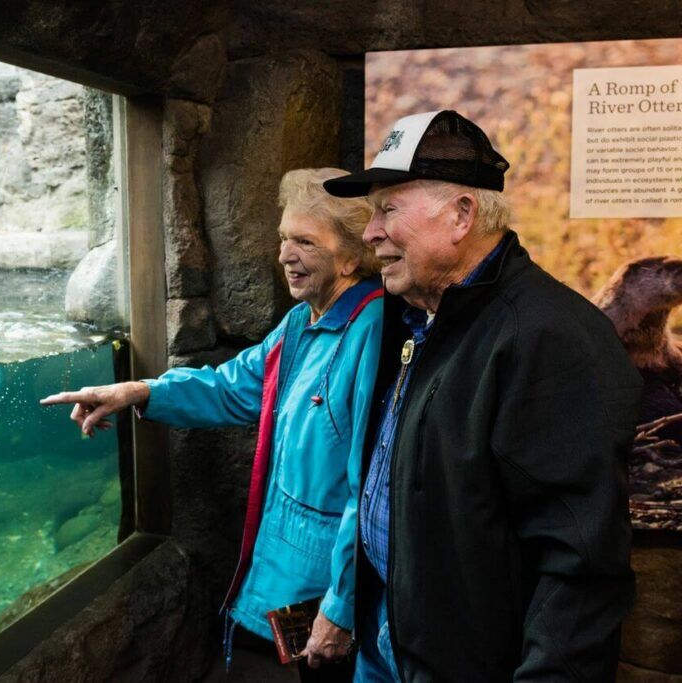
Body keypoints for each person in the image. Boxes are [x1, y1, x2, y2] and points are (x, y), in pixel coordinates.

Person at [323, 110, 643, 681]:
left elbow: (580, 567)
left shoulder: (550, 338)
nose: (370, 232)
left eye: (388, 209)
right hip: (390, 641)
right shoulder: (420, 315)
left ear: (462, 214)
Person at [42, 168, 384, 680]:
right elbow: (232, 387)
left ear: (352, 256)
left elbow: (374, 489)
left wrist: (342, 604)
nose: (285, 254)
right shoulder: (302, 322)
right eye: (283, 238)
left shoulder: (371, 332)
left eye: (305, 242)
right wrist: (138, 391)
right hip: (284, 582)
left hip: (326, 586)